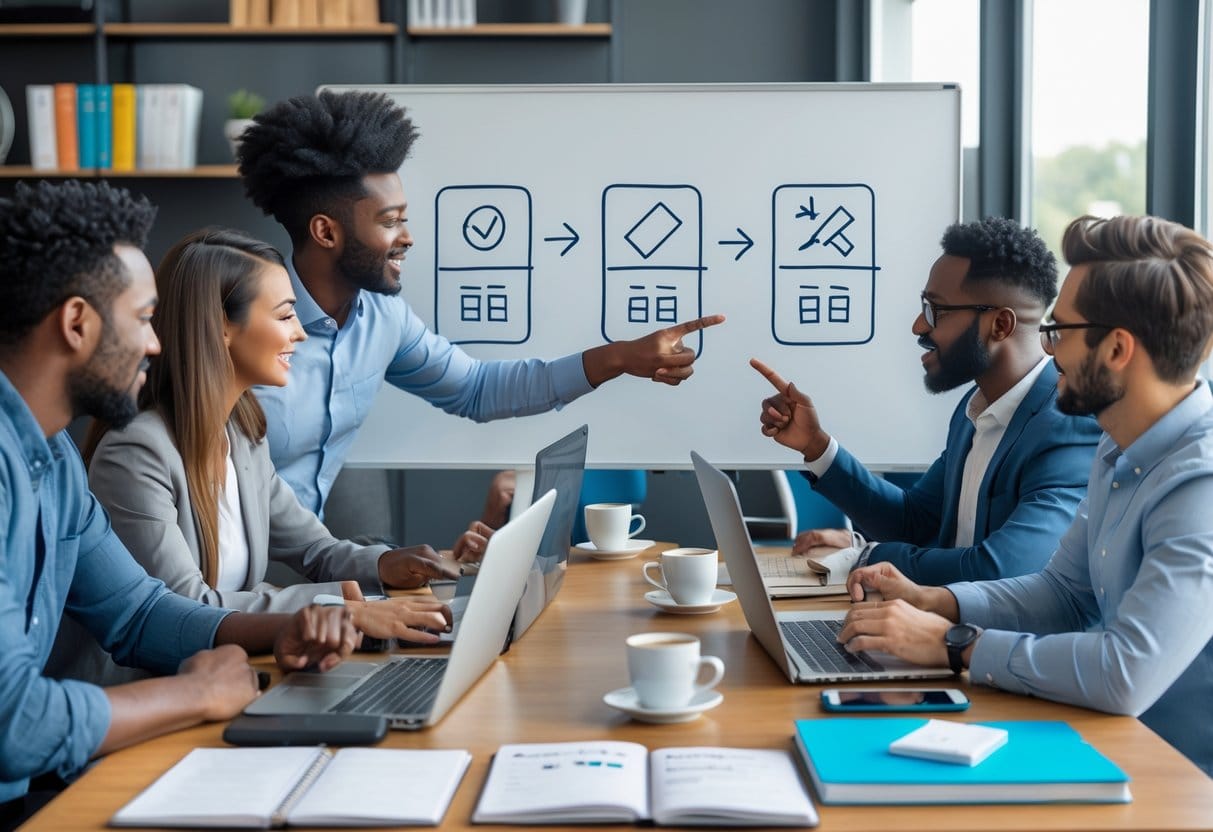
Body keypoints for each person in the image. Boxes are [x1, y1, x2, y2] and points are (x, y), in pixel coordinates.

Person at [0, 180, 358, 826]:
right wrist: (193, 694)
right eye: (142, 319)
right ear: (77, 324)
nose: (157, 343)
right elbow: (14, 722)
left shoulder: (51, 460)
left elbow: (137, 611)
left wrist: (285, 630)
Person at [837, 214, 1213, 775]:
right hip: (1099, 741)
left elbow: (1126, 672)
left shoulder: (1200, 484)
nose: (1045, 348)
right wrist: (935, 602)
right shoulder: (1117, 448)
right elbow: (1063, 592)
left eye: (1059, 331)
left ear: (1115, 349)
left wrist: (954, 642)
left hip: (1173, 776)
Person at [236, 90, 724, 518]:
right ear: (326, 232)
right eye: (389, 222)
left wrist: (620, 358)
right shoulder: (238, 321)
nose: (406, 238)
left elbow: (476, 389)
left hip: (309, 571)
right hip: (224, 585)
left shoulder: (382, 319)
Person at [53, 228, 466, 688]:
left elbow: (315, 549)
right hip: (143, 689)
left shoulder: (242, 436)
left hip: (228, 674)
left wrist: (384, 564)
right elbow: (184, 607)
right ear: (221, 326)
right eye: (286, 314)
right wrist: (342, 610)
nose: (299, 333)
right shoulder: (137, 451)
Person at [753, 217, 1101, 584]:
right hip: (934, 626)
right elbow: (913, 522)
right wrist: (817, 446)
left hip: (992, 639)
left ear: (1000, 325)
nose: (920, 325)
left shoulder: (1066, 423)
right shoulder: (975, 408)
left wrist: (868, 557)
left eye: (936, 310)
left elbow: (999, 570)